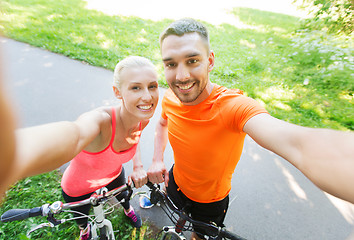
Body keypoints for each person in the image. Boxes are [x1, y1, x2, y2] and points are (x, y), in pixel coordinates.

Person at [146, 18, 354, 240]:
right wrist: (157, 159)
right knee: (176, 214)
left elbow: (299, 145)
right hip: (175, 182)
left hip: (211, 201)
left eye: (192, 61)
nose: (181, 77)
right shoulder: (170, 97)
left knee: (200, 236)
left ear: (210, 61)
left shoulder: (233, 106)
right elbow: (162, 122)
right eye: (170, 64)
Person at [58, 56, 159, 239]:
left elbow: (135, 139)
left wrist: (138, 167)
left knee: (125, 199)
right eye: (136, 87)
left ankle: (127, 210)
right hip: (78, 187)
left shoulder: (142, 119)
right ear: (117, 92)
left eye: (152, 86)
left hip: (113, 176)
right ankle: (84, 230)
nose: (147, 96)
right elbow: (76, 132)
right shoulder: (101, 121)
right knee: (81, 217)